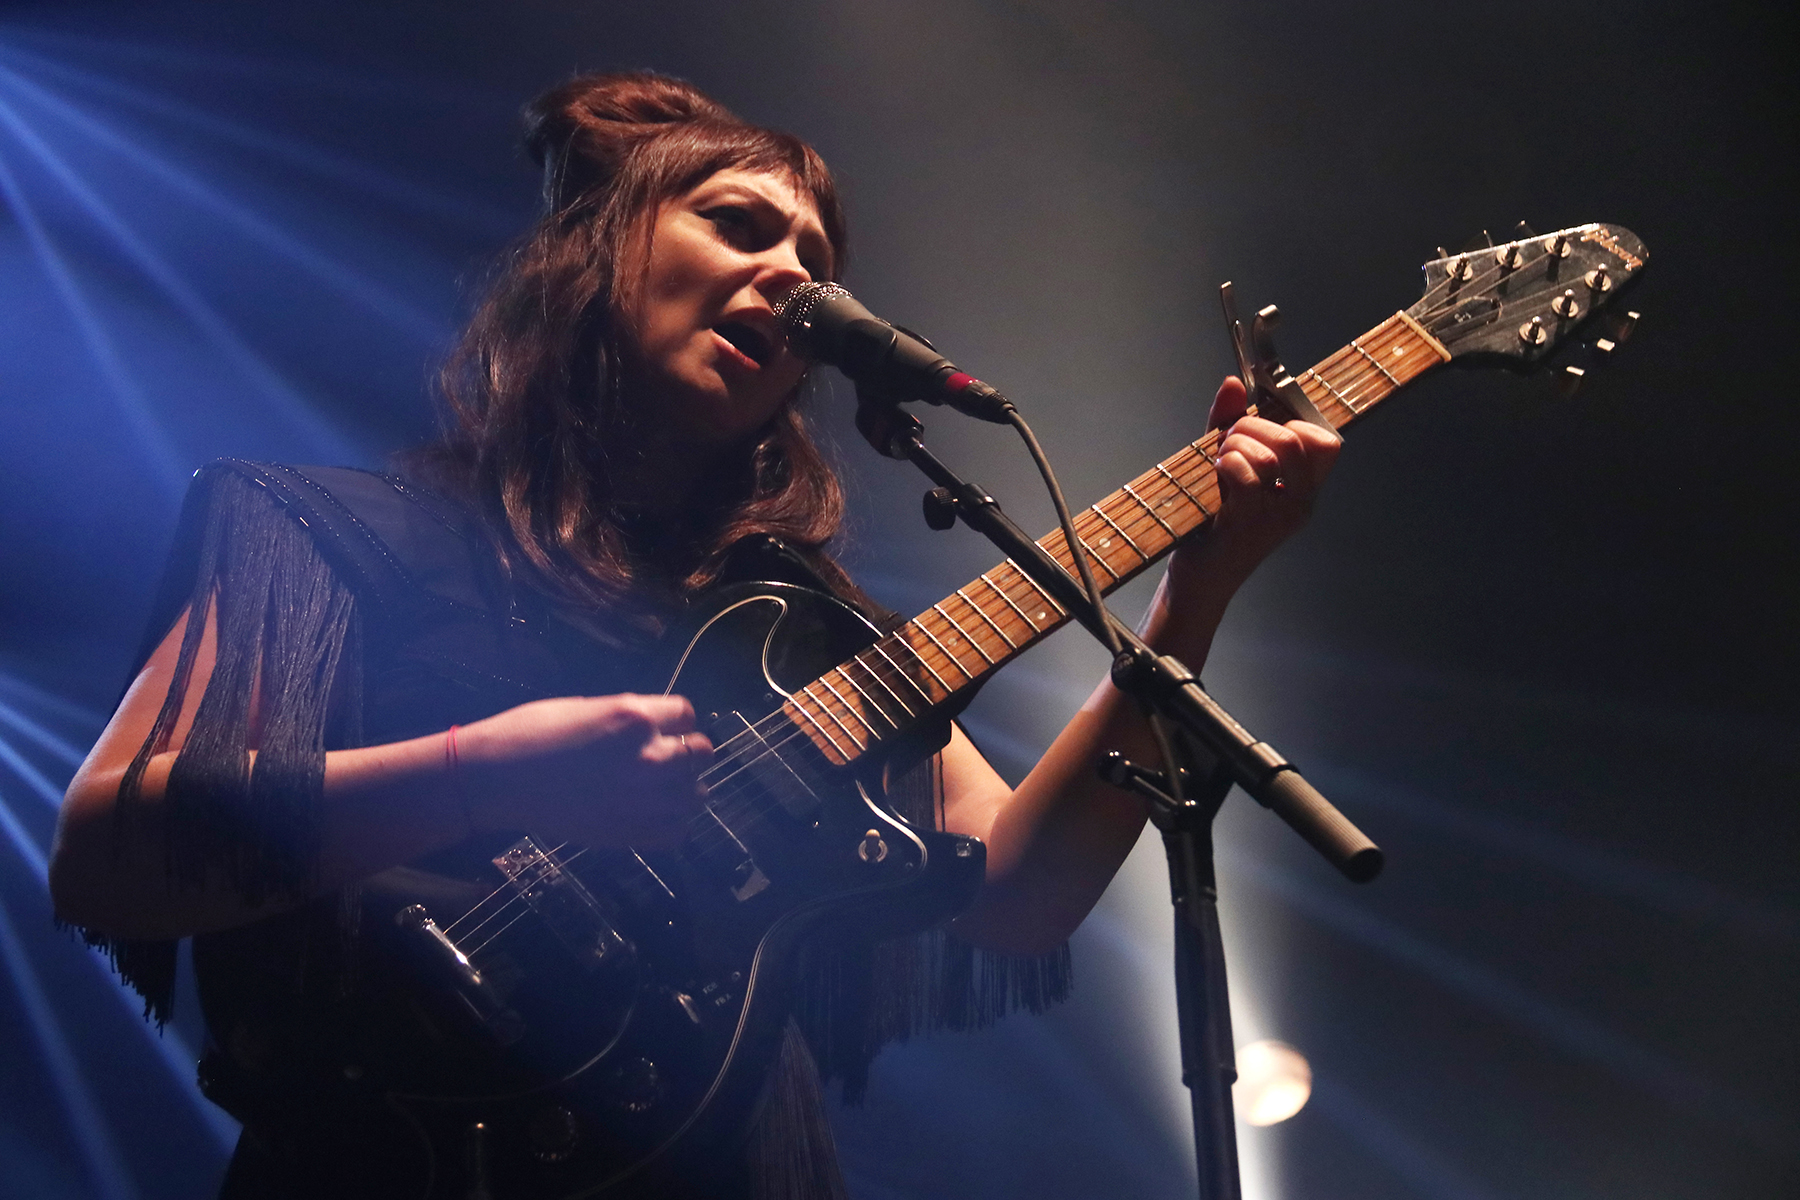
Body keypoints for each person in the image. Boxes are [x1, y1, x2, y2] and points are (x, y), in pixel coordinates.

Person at [50, 72, 1339, 1199]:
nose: (793, 274)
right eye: (737, 223)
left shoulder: (807, 629)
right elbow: (111, 849)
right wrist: (483, 772)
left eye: (817, 262)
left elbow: (1016, 897)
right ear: (593, 257)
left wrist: (1199, 592)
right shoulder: (325, 528)